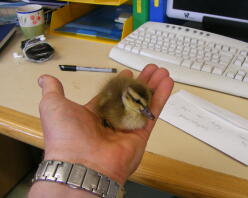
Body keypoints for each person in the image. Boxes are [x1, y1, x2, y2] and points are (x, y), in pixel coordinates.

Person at [28, 64, 174, 198]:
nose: (145, 110)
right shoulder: (115, 108)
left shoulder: (136, 108)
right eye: (138, 103)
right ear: (126, 98)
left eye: (145, 105)